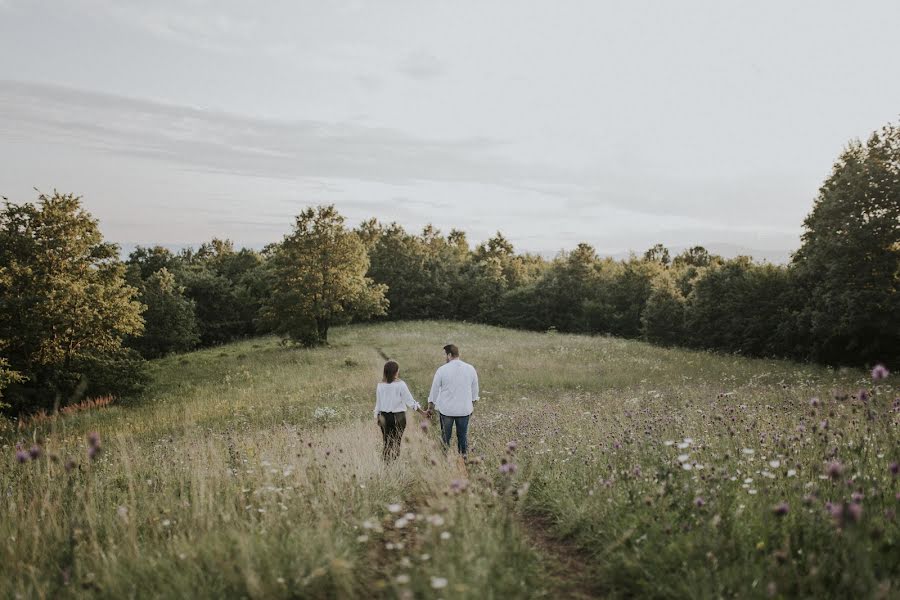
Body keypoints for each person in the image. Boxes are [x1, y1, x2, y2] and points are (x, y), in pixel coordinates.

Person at [427, 344, 479, 458]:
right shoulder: (470, 368)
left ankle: (444, 463)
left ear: (449, 355)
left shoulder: (442, 370)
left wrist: (430, 407)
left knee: (445, 438)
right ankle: (464, 463)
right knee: (462, 438)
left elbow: (434, 390)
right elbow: (475, 391)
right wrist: (472, 406)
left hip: (447, 411)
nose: (445, 358)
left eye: (445, 355)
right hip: (464, 410)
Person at [374, 360, 424, 461]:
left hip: (383, 417)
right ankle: (394, 464)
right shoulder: (401, 384)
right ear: (395, 372)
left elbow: (378, 404)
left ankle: (387, 465)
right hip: (398, 417)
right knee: (396, 442)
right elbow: (410, 401)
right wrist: (422, 412)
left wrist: (377, 417)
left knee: (386, 442)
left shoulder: (380, 385)